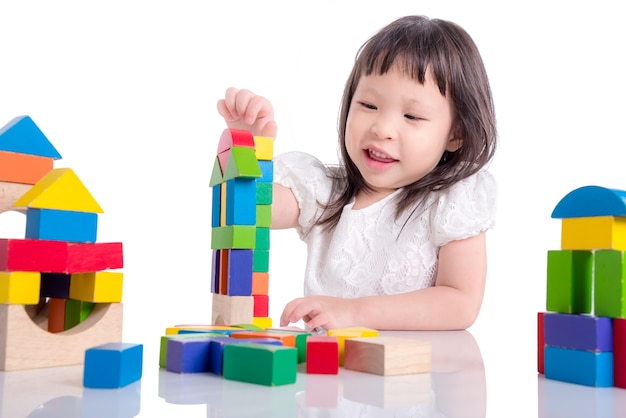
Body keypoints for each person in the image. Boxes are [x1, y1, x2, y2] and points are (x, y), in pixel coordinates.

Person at [216, 15, 497, 331]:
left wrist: (356, 313)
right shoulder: (326, 193)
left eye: (412, 115)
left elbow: (460, 304)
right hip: (332, 374)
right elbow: (249, 212)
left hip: (414, 374)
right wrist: (249, 151)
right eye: (369, 105)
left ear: (455, 134)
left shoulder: (452, 202)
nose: (382, 128)